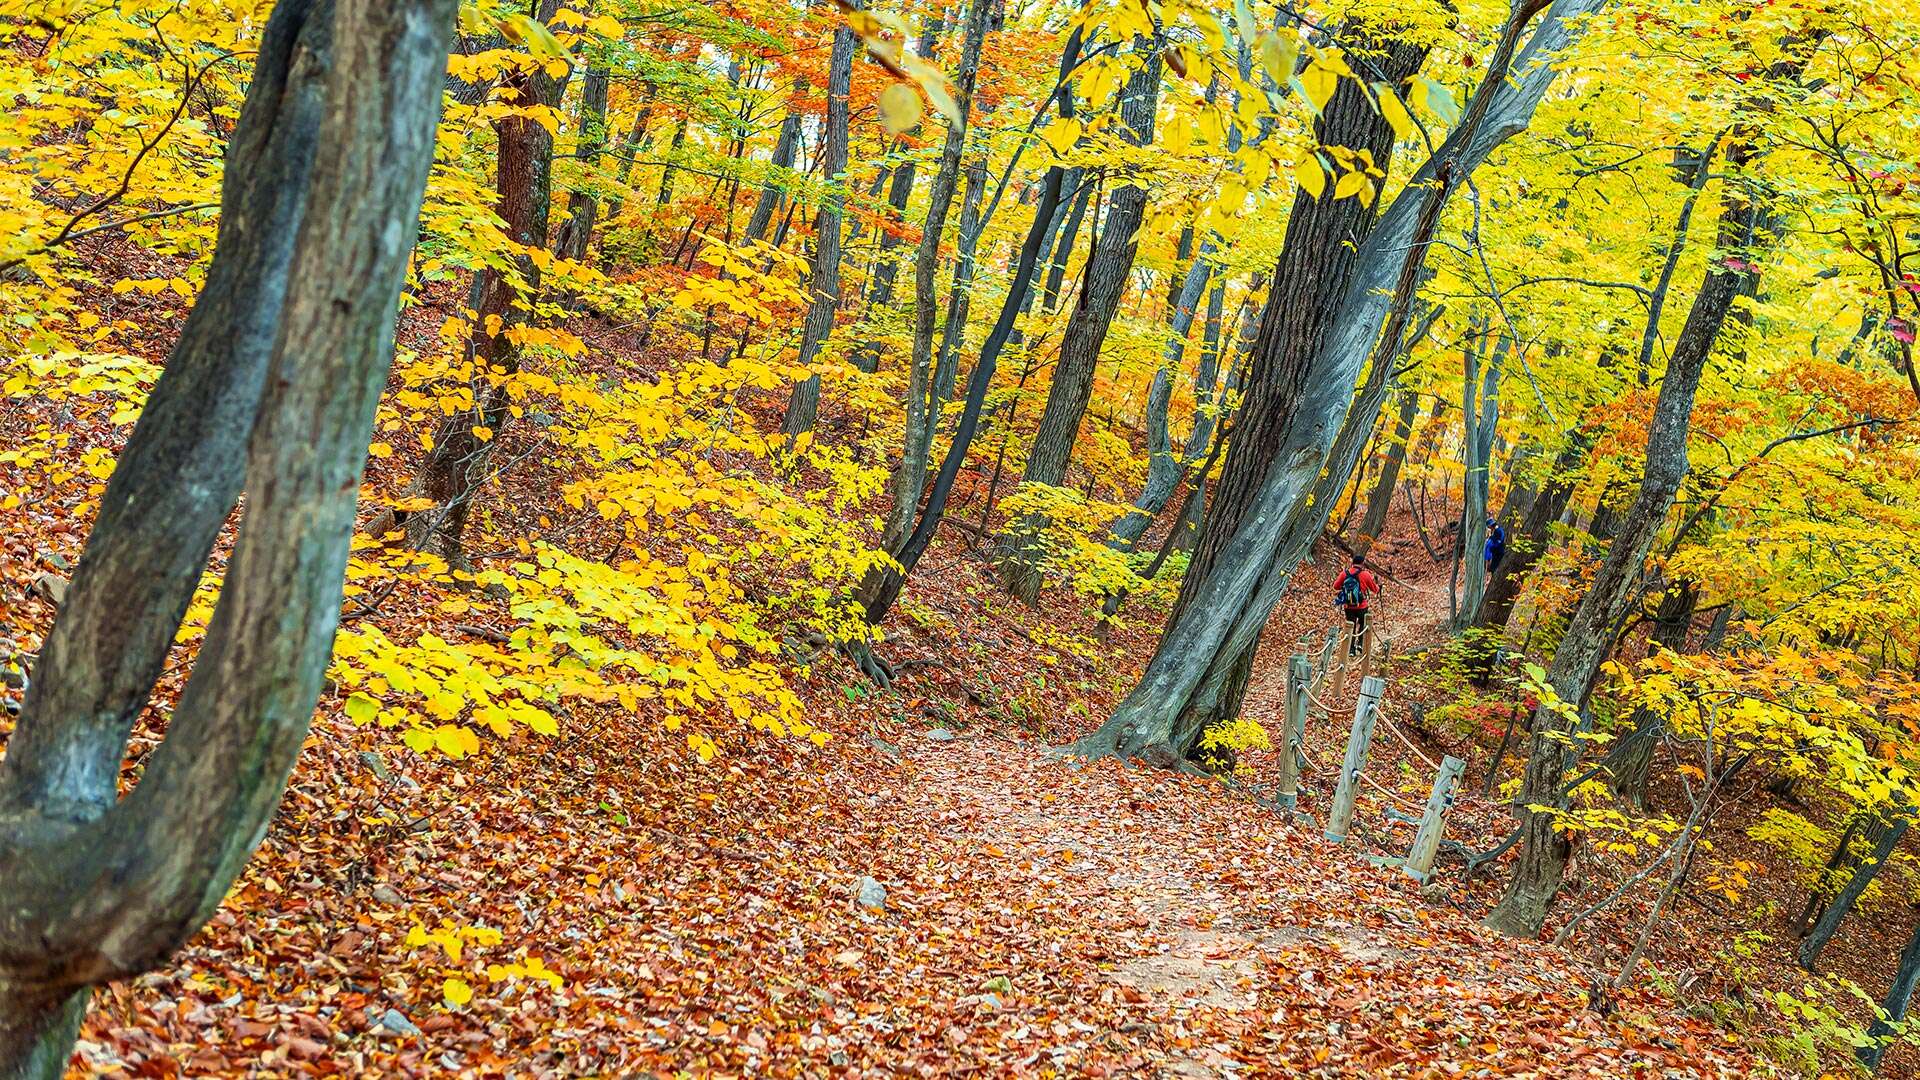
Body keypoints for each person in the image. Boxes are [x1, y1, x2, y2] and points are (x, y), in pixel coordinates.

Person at [1333, 555, 1381, 655]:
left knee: (1351, 626)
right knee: (1364, 623)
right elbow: (1375, 590)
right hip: (1362, 605)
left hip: (1348, 606)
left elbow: (1335, 586)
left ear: (1353, 563)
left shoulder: (1344, 573)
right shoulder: (1365, 574)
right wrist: (1379, 587)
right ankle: (1360, 643)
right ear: (1362, 563)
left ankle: (1351, 649)